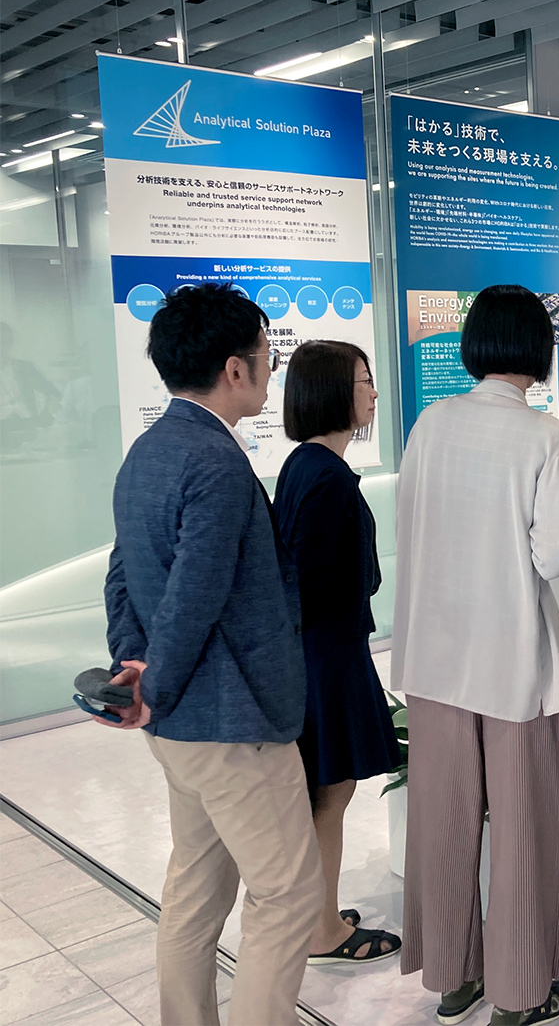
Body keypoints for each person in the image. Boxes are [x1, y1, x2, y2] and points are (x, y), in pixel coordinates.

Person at [97, 283, 321, 1026]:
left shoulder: (147, 452)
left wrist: (134, 667)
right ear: (234, 368)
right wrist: (153, 681)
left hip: (180, 726)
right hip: (233, 720)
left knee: (196, 888)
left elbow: (122, 573)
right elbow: (194, 593)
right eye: (266, 356)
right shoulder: (217, 461)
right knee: (287, 894)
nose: (270, 370)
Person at [391, 285, 559, 1026]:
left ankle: (454, 977)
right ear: (540, 349)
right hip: (514, 667)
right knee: (522, 832)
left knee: (443, 827)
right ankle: (520, 989)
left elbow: (413, 521)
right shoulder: (550, 438)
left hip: (434, 661)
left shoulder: (430, 424)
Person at [274, 340, 402, 967]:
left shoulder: (307, 465)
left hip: (322, 650)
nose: (373, 392)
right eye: (362, 381)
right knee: (331, 791)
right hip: (326, 656)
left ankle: (316, 912)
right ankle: (321, 928)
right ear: (332, 391)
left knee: (329, 790)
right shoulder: (325, 477)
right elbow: (312, 582)